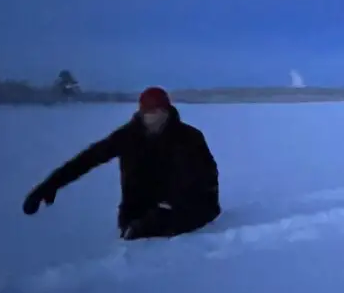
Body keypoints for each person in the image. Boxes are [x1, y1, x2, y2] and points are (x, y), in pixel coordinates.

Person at [22, 87, 221, 240]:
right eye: (148, 112)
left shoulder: (189, 137)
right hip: (138, 212)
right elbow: (87, 159)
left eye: (158, 111)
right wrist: (48, 186)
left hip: (184, 208)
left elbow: (208, 176)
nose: (153, 117)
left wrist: (179, 201)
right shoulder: (128, 137)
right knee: (138, 229)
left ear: (167, 111)